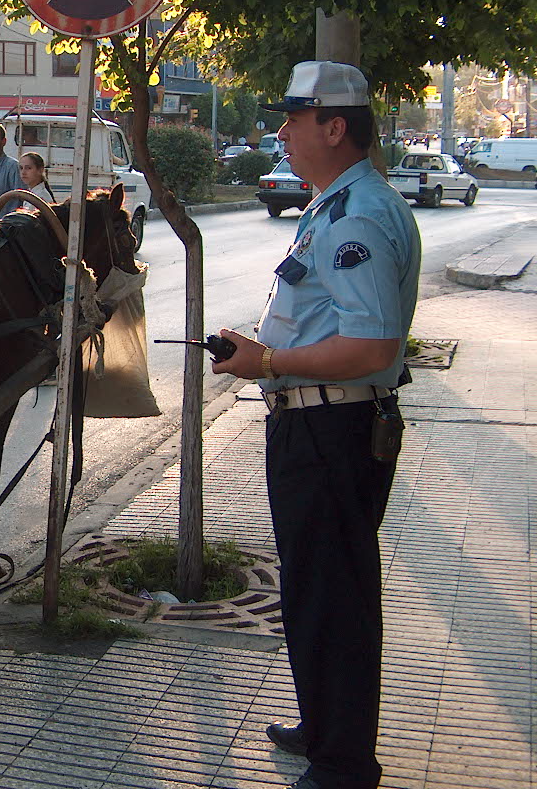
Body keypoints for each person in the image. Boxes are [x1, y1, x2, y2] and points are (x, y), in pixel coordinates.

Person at [210, 61, 421, 789]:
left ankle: (344, 764)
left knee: (335, 596)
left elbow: (371, 347)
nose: (281, 132)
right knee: (313, 586)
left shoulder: (356, 216)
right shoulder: (337, 203)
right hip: (317, 425)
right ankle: (324, 726)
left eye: (294, 119)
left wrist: (267, 360)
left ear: (335, 127)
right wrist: (265, 357)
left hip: (332, 430)